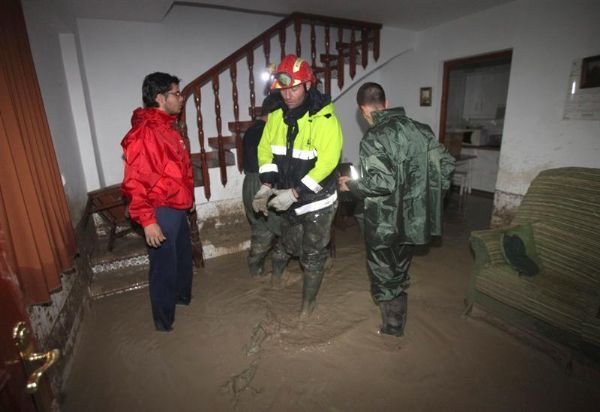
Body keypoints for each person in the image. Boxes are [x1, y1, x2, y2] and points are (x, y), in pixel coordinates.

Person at [339, 82, 455, 336]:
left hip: (384, 220)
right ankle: (399, 310)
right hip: (414, 217)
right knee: (401, 264)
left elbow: (382, 182)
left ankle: (392, 326)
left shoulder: (374, 137)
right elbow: (446, 165)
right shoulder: (421, 130)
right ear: (387, 103)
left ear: (362, 110)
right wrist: (428, 196)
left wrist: (352, 186)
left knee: (383, 270)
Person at [253, 54, 343, 317]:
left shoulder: (325, 120)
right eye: (283, 90)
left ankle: (307, 307)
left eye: (294, 89)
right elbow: (265, 150)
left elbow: (327, 164)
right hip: (286, 196)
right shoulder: (277, 117)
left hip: (317, 201)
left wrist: (295, 193)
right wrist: (266, 185)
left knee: (313, 254)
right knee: (286, 244)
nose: (288, 95)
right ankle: (276, 281)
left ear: (307, 85)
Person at [121, 72, 194, 332]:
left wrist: (189, 199)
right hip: (160, 210)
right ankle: (164, 323)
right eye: (176, 93)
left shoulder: (167, 126)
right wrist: (148, 221)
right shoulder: (146, 132)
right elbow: (135, 181)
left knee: (183, 259)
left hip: (177, 206)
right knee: (163, 267)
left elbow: (179, 169)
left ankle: (182, 299)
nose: (181, 97)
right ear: (160, 98)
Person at [242, 95, 284, 277]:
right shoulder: (267, 131)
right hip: (264, 183)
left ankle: (258, 272)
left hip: (250, 182)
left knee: (263, 229)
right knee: (276, 230)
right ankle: (272, 275)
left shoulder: (252, 130)